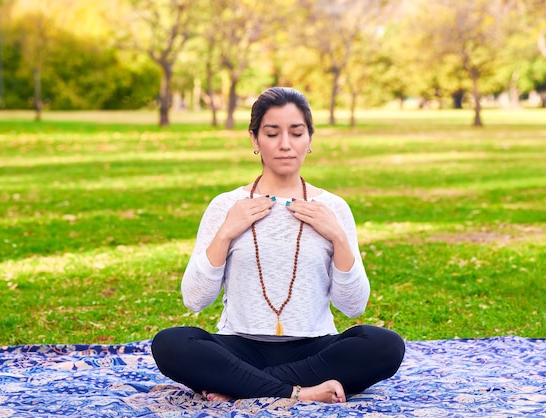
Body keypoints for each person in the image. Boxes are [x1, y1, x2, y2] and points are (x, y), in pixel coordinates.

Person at [151, 87, 405, 403]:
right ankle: (301, 393)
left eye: (296, 133)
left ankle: (240, 388)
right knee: (170, 343)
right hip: (239, 348)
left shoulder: (333, 208)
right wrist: (226, 232)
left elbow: (353, 306)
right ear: (255, 140)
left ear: (309, 139)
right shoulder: (226, 205)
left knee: (385, 345)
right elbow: (195, 299)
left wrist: (337, 236)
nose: (285, 144)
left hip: (314, 349)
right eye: (272, 133)